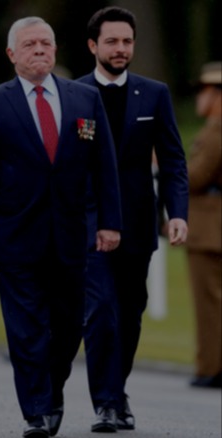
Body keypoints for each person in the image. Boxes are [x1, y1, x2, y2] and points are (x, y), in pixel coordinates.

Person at [0, 16, 122, 438]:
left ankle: (52, 392)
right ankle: (37, 412)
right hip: (15, 234)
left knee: (67, 325)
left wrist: (110, 222)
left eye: (47, 43)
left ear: (57, 49)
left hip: (72, 234)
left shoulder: (84, 99)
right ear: (11, 54)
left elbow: (104, 166)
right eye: (29, 45)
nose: (40, 50)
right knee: (26, 328)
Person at [77, 7, 189, 431]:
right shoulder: (74, 94)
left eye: (127, 41)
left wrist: (177, 213)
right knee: (101, 310)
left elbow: (175, 161)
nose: (121, 49)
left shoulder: (154, 94)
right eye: (112, 41)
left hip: (139, 223)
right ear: (93, 45)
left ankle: (116, 390)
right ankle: (106, 402)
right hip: (89, 226)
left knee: (130, 310)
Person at [186, 61, 222, 389]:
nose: (199, 98)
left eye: (203, 91)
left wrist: (163, 164)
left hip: (209, 226)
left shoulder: (216, 130)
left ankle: (211, 366)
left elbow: (196, 177)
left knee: (208, 303)